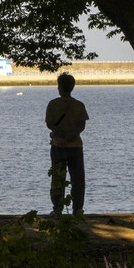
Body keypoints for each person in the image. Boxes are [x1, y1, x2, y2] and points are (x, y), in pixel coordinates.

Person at [45, 72, 89, 217]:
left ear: (59, 87)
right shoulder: (79, 105)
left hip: (58, 145)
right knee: (78, 180)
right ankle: (77, 210)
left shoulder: (53, 104)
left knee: (58, 178)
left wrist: (62, 136)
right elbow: (81, 126)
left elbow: (50, 124)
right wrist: (70, 137)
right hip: (76, 146)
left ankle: (57, 209)